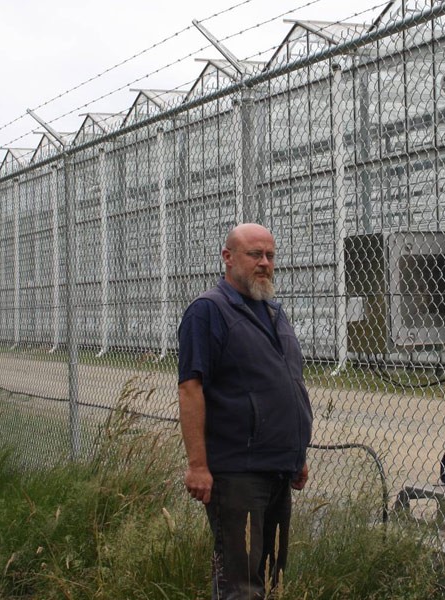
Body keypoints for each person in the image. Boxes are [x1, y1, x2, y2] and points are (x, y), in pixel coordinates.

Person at [177, 223, 313, 600]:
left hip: (278, 470)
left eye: (270, 256)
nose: (264, 263)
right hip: (238, 473)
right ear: (228, 258)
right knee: (241, 586)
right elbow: (190, 389)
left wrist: (295, 455)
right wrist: (198, 465)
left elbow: (287, 385)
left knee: (271, 579)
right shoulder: (209, 312)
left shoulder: (273, 312)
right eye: (255, 255)